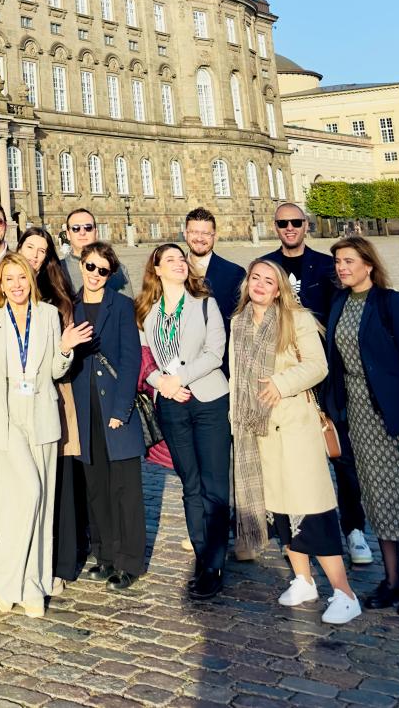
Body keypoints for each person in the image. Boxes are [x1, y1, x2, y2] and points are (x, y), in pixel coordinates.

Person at [229, 259, 361, 624]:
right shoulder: (238, 323)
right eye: (255, 277)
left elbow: (318, 366)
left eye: (268, 281)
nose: (260, 285)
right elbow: (237, 378)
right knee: (281, 511)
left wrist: (280, 383)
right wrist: (235, 422)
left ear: (279, 289)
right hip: (257, 429)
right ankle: (303, 579)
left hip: (293, 426)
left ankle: (344, 592)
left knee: (312, 510)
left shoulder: (295, 318)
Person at [0, 253, 92, 615]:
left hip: (40, 414)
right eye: (9, 279)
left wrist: (66, 348)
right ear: (0, 285)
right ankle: (3, 573)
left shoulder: (49, 315)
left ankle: (31, 583)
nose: (17, 285)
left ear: (30, 280)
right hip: (3, 417)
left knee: (42, 502)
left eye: (21, 278)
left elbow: (55, 370)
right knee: (20, 497)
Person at [325, 236, 399, 620]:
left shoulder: (390, 303)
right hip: (358, 419)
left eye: (348, 261)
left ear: (368, 265)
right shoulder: (340, 304)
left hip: (394, 418)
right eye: (338, 262)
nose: (342, 267)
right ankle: (393, 581)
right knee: (378, 500)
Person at [265, 204, 371, 567]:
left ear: (306, 226)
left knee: (341, 453)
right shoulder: (267, 266)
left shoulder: (328, 268)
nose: (290, 228)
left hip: (326, 375)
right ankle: (294, 532)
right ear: (275, 228)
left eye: (296, 222)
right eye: (283, 223)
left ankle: (353, 529)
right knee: (289, 459)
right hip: (284, 382)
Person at [137, 242, 229, 600]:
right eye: (169, 260)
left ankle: (216, 564)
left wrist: (181, 378)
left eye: (181, 259)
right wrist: (163, 384)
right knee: (190, 483)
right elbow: (148, 361)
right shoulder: (148, 313)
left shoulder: (205, 304)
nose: (178, 263)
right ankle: (202, 556)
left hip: (208, 399)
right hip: (172, 404)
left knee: (214, 485)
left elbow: (215, 352)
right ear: (156, 270)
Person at [69, 241, 146, 591]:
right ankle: (104, 556)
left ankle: (129, 560)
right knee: (96, 487)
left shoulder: (123, 307)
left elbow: (131, 362)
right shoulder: (71, 309)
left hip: (116, 410)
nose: (95, 275)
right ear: (81, 266)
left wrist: (122, 410)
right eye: (90, 267)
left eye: (103, 270)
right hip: (84, 412)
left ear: (110, 274)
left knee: (125, 489)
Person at [18, 226, 87, 591]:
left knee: (58, 478)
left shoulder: (57, 295)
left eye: (41, 251)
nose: (34, 255)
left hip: (56, 395)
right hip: (19, 400)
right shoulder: (9, 288)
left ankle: (60, 561)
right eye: (29, 248)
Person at [183, 207, 245, 325]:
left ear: (214, 236)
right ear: (185, 234)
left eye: (206, 233)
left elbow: (241, 321)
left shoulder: (234, 274)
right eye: (194, 232)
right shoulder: (170, 270)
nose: (199, 238)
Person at [60, 208, 134, 297]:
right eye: (76, 228)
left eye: (88, 227)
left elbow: (127, 306)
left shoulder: (117, 269)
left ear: (96, 233)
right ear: (68, 234)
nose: (82, 232)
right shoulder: (57, 269)